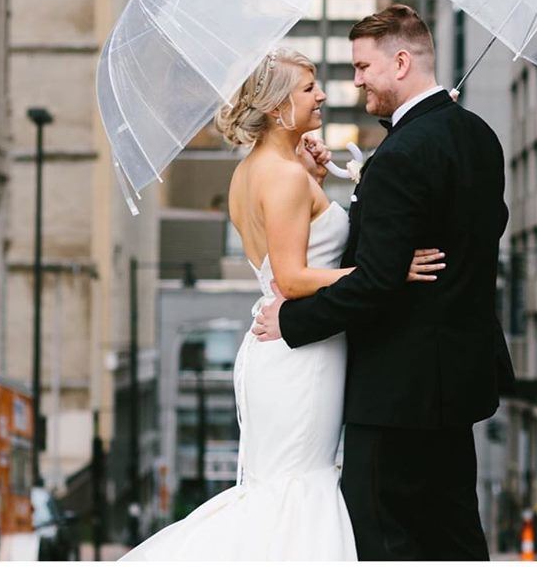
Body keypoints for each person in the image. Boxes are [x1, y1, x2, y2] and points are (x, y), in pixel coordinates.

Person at [121, 47, 442, 561]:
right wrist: (387, 271)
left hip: (276, 349)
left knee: (280, 490)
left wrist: (315, 181)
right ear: (276, 108)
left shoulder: (254, 171)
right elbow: (291, 278)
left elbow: (285, 251)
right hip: (301, 354)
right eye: (308, 87)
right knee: (298, 490)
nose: (320, 95)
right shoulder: (285, 175)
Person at [255, 4, 513, 560]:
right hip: (458, 386)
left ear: (400, 62)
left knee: (380, 540)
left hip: (396, 393)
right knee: (454, 537)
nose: (355, 81)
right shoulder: (479, 137)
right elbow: (488, 226)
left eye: (362, 67)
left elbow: (375, 283)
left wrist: (290, 319)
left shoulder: (403, 153)